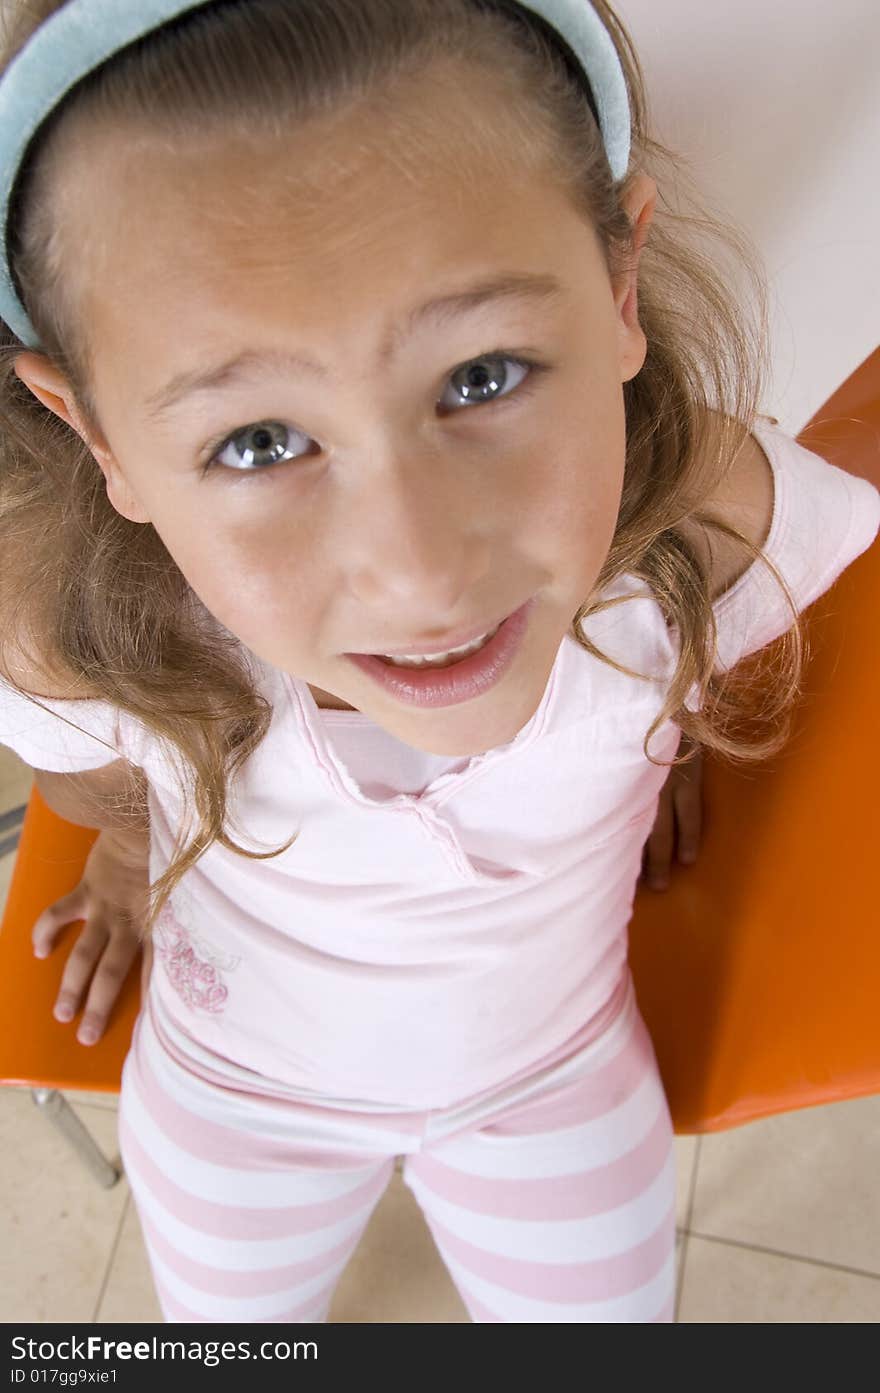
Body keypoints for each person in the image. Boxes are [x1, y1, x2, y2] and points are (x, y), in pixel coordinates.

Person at [0, 0, 876, 1325]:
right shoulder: (73, 620)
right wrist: (126, 851)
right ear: (100, 434)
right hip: (237, 1085)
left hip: (552, 1070)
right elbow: (76, 774)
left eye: (483, 375)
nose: (419, 572)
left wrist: (671, 705)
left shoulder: (703, 519)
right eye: (255, 443)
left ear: (620, 286)